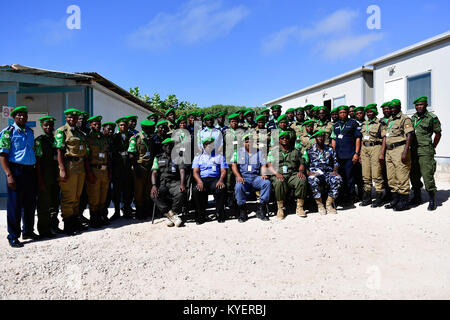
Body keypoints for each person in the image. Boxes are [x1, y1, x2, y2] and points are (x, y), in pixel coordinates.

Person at [0, 106, 38, 247]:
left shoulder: (30, 131)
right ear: (14, 117)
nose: (22, 118)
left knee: (30, 203)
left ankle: (28, 231)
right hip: (16, 171)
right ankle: (13, 236)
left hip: (30, 171)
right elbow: (3, 155)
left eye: (24, 115)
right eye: (19, 115)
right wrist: (9, 175)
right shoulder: (7, 133)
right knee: (15, 205)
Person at [55, 108, 90, 235]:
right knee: (68, 197)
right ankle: (68, 225)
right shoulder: (61, 131)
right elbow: (59, 151)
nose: (72, 120)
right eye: (70, 117)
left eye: (75, 118)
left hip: (80, 167)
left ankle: (75, 222)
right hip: (69, 165)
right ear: (66, 118)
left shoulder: (79, 132)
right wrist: (62, 170)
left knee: (77, 196)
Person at [409, 96, 441, 211]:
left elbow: (438, 133)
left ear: (426, 105)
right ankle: (417, 196)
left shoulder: (432, 118)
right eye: (417, 105)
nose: (419, 107)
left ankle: (432, 199)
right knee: (414, 174)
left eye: (421, 104)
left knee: (427, 175)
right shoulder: (412, 118)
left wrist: (433, 146)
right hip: (413, 150)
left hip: (425, 150)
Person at [266, 131, 308, 219]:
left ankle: (299, 207)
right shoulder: (273, 152)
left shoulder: (295, 152)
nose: (285, 140)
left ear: (289, 140)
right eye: (282, 138)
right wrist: (276, 173)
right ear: (279, 140)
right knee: (278, 182)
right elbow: (269, 165)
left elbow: (302, 163)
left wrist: (300, 171)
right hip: (278, 174)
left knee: (302, 180)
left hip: (292, 174)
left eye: (287, 138)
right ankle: (280, 208)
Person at [382, 99, 414, 211]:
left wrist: (405, 151)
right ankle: (395, 199)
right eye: (390, 108)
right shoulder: (390, 120)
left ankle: (404, 202)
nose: (392, 110)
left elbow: (410, 135)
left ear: (399, 107)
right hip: (389, 151)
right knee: (391, 177)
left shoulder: (405, 119)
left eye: (394, 107)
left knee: (402, 175)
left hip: (400, 149)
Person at [232, 134, 271, 222]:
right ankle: (242, 210)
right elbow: (234, 166)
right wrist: (238, 176)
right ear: (243, 143)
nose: (249, 143)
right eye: (246, 142)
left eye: (251, 141)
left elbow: (263, 165)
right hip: (244, 178)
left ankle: (261, 207)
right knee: (238, 186)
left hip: (255, 177)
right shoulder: (237, 152)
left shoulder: (259, 152)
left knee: (266, 183)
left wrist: (263, 174)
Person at [35, 116, 62, 238]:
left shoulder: (55, 139)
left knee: (55, 201)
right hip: (45, 174)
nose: (48, 127)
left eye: (50, 125)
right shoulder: (40, 140)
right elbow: (38, 162)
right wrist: (39, 179)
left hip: (55, 173)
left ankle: (54, 226)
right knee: (44, 203)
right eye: (46, 125)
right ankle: (44, 229)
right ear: (42, 126)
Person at [304, 130, 342, 215]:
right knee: (312, 180)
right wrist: (308, 172)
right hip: (315, 173)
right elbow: (304, 163)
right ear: (315, 138)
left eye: (322, 136)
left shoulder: (330, 149)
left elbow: (336, 162)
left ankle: (329, 204)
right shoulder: (309, 150)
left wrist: (335, 171)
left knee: (338, 179)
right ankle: (320, 205)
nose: (320, 138)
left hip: (328, 172)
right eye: (318, 137)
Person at [151, 138, 186, 227]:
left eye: (170, 146)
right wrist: (154, 186)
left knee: (180, 192)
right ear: (163, 147)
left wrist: (182, 184)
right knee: (153, 194)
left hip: (175, 182)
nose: (169, 147)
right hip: (163, 183)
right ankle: (172, 215)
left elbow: (182, 171)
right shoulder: (157, 158)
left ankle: (171, 215)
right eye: (166, 146)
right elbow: (154, 172)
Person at [331, 105, 362, 207]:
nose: (342, 114)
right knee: (341, 177)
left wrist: (356, 154)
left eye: (344, 112)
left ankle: (351, 196)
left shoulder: (353, 123)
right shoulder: (335, 125)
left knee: (350, 177)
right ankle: (343, 196)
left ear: (348, 113)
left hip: (350, 155)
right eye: (340, 113)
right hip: (339, 156)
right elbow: (334, 140)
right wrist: (333, 154)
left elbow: (358, 138)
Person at [192, 137, 228, 224]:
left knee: (221, 188)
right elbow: (195, 172)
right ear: (204, 146)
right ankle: (201, 214)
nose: (209, 146)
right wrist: (199, 181)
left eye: (211, 144)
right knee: (196, 190)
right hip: (202, 179)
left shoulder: (219, 156)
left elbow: (223, 171)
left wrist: (221, 180)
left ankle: (219, 212)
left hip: (215, 179)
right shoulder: (198, 157)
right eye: (207, 144)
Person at [85, 116, 111, 228]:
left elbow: (107, 155)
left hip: (104, 171)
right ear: (90, 125)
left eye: (99, 124)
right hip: (94, 169)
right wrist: (89, 173)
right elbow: (86, 157)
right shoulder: (88, 138)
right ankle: (94, 219)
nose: (97, 126)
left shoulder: (104, 138)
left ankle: (101, 217)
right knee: (94, 196)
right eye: (95, 124)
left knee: (103, 195)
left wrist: (109, 171)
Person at [128, 120, 157, 219]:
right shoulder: (135, 138)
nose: (153, 130)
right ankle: (139, 212)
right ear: (145, 128)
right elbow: (131, 155)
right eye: (151, 128)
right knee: (138, 191)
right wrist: (136, 169)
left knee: (147, 190)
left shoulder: (151, 138)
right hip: (139, 168)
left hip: (149, 168)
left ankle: (146, 210)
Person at [359, 104, 386, 207]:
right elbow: (362, 139)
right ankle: (367, 198)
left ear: (375, 112)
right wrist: (361, 154)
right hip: (365, 148)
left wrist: (382, 153)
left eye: (371, 112)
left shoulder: (380, 123)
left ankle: (379, 198)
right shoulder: (364, 124)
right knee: (366, 175)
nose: (369, 113)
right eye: (368, 112)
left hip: (376, 148)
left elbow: (384, 138)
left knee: (377, 174)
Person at [110, 117, 133, 220]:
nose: (123, 127)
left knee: (128, 189)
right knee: (117, 191)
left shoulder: (132, 136)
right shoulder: (115, 137)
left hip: (128, 166)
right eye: (121, 125)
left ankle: (127, 210)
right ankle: (116, 211)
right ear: (118, 127)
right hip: (117, 166)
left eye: (125, 125)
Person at [101, 121, 116, 221]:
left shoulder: (114, 139)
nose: (110, 131)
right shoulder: (100, 139)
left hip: (113, 169)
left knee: (109, 194)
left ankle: (104, 214)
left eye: (112, 130)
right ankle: (100, 215)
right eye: (108, 129)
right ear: (104, 130)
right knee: (102, 193)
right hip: (102, 169)